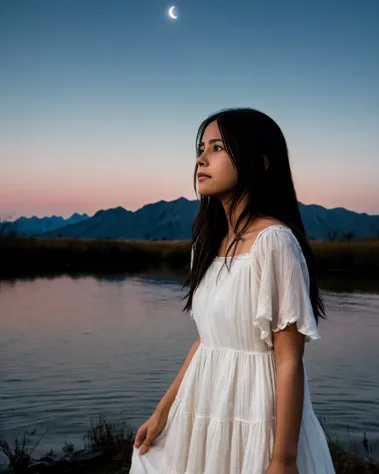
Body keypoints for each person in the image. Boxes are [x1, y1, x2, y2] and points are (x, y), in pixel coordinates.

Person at [129, 108, 336, 474]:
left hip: (256, 411)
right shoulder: (207, 245)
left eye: (218, 147)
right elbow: (205, 341)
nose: (201, 159)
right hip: (205, 403)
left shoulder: (274, 243)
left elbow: (289, 360)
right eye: (200, 147)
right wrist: (162, 412)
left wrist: (283, 459)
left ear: (260, 162)